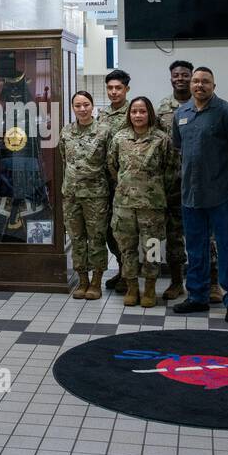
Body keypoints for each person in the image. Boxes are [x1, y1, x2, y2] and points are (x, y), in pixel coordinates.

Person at [171, 68, 228, 318]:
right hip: (190, 195)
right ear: (190, 85)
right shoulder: (181, 113)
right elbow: (180, 149)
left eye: (205, 81)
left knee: (227, 247)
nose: (199, 85)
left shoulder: (227, 112)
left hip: (220, 193)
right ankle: (197, 296)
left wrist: (223, 175)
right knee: (195, 248)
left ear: (214, 85)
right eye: (195, 81)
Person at [109, 96, 174, 308]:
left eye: (142, 111)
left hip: (152, 207)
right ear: (129, 114)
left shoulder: (161, 139)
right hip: (124, 206)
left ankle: (150, 287)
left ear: (150, 114)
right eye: (134, 111)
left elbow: (170, 170)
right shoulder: (119, 138)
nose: (138, 115)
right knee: (127, 248)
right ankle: (132, 287)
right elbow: (112, 166)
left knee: (152, 248)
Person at [61, 90, 111, 300]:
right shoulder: (66, 132)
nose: (82, 109)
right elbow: (64, 159)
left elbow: (111, 163)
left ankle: (96, 281)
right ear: (73, 108)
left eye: (86, 105)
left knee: (97, 238)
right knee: (77, 239)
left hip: (96, 195)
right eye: (78, 105)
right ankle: (82, 280)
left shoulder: (104, 130)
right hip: (71, 195)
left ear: (93, 106)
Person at [155, 60, 193, 300]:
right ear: (171, 78)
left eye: (185, 75)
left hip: (198, 181)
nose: (180, 78)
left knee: (205, 234)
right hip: (170, 183)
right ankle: (177, 281)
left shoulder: (202, 104)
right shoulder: (163, 109)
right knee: (173, 235)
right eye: (176, 75)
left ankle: (210, 282)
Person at [99, 69, 132, 294]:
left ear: (126, 89)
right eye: (110, 88)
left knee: (127, 231)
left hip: (128, 183)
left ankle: (131, 277)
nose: (113, 92)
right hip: (105, 183)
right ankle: (121, 270)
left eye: (118, 88)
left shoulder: (136, 111)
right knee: (110, 230)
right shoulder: (101, 115)